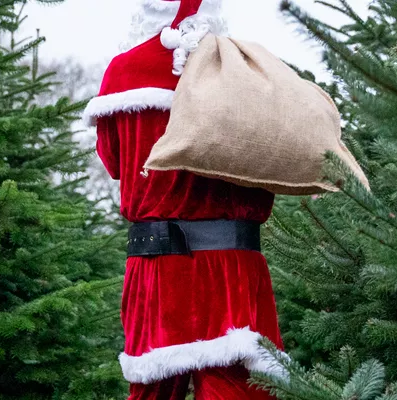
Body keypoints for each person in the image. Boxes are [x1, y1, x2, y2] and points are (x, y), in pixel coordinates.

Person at [84, 1, 286, 399]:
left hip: (157, 266)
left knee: (155, 390)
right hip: (234, 266)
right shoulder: (247, 73)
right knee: (241, 388)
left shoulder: (124, 73)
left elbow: (114, 163)